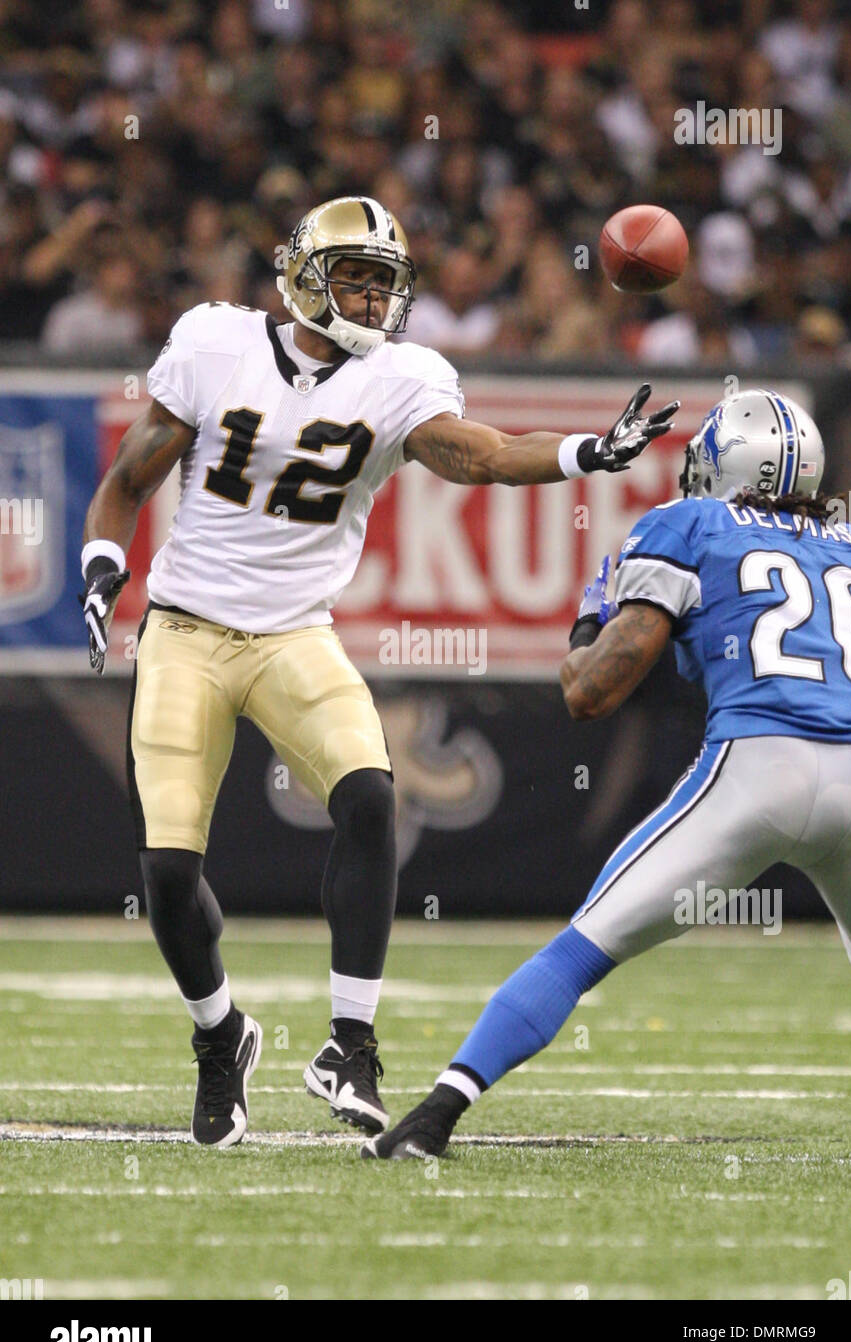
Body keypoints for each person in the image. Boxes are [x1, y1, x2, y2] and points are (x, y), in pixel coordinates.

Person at [79, 194, 678, 1148]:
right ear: (304, 277)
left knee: (368, 798)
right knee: (166, 870)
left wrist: (582, 452)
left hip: (295, 636)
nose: (370, 300)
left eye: (383, 284)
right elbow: (128, 479)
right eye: (354, 278)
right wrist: (102, 564)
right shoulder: (213, 343)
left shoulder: (400, 378)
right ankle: (218, 1037)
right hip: (186, 630)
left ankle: (349, 1043)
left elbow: (480, 456)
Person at [362, 387, 851, 1160]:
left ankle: (432, 1120)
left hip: (761, 770)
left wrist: (591, 619)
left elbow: (590, 692)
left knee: (581, 950)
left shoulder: (688, 524)